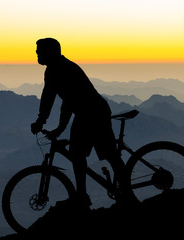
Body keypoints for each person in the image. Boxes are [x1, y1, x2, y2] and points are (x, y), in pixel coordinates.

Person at [31, 38, 119, 207]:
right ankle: (82, 196)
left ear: (50, 52)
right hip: (88, 113)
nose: (36, 53)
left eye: (39, 50)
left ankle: (88, 196)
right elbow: (52, 98)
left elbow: (65, 101)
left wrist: (53, 126)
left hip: (93, 113)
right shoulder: (54, 69)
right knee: (82, 154)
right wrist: (46, 122)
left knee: (101, 154)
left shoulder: (61, 69)